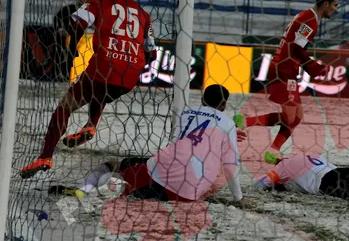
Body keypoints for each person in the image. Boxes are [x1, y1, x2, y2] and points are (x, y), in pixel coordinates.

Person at [20, 0, 155, 179]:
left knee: (64, 107)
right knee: (100, 90)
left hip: (102, 69)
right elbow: (152, 53)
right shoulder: (144, 14)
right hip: (129, 78)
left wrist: (73, 49)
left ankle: (45, 156)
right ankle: (91, 125)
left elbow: (77, 28)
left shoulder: (97, 2)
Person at [48, 85, 247, 203]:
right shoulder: (227, 123)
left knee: (114, 165)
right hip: (190, 193)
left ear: (202, 98)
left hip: (165, 172)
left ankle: (84, 189)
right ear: (224, 106)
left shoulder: (185, 112)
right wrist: (239, 199)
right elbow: (230, 168)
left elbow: (178, 144)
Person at [233, 0, 339, 164]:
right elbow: (297, 47)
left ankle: (272, 150)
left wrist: (308, 66)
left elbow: (297, 47)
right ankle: (246, 122)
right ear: (326, 3)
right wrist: (312, 66)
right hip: (283, 68)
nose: (336, 9)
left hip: (287, 68)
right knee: (290, 117)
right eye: (335, 5)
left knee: (296, 117)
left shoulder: (307, 16)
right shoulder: (310, 19)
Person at [53, 0, 90, 80]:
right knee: (63, 56)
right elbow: (57, 18)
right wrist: (60, 29)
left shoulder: (88, 12)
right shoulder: (68, 9)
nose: (83, 2)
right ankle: (60, 75)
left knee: (75, 57)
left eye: (85, 0)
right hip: (65, 37)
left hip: (79, 39)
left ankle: (71, 75)